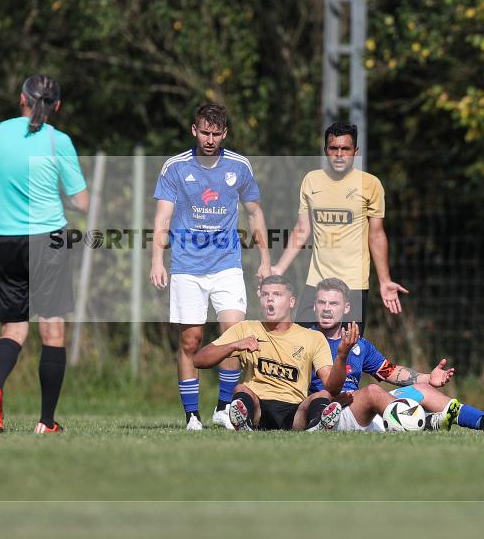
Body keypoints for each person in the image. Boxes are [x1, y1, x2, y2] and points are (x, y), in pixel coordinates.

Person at [0, 75, 89, 434]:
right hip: (47, 238)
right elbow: (81, 202)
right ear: (57, 106)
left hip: (5, 239)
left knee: (13, 327)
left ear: (21, 98)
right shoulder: (59, 141)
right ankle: (46, 422)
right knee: (52, 330)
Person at [150, 103, 271, 430]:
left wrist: (265, 260)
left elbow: (255, 213)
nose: (210, 139)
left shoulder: (238, 166)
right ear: (194, 130)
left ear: (225, 134)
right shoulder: (175, 167)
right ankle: (192, 415)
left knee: (234, 336)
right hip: (187, 266)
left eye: (216, 133)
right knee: (191, 341)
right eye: (204, 132)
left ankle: (224, 406)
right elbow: (162, 217)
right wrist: (157, 260)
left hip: (227, 265)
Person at [308, 277, 484, 433]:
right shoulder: (304, 339)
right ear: (314, 306)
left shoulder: (360, 345)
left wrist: (426, 378)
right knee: (373, 391)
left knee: (422, 390)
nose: (327, 308)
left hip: (359, 411)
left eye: (333, 303)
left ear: (346, 308)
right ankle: (428, 423)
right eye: (322, 302)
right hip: (327, 415)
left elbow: (390, 372)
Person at [270, 121, 407, 332]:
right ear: (326, 151)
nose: (339, 154)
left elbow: (376, 235)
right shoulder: (311, 180)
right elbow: (302, 229)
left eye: (346, 149)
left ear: (356, 152)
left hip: (353, 285)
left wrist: (384, 280)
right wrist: (279, 268)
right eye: (334, 148)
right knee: (299, 352)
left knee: (346, 356)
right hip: (316, 283)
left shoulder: (370, 184)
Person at [192, 275, 349, 432]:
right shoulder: (245, 329)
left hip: (295, 411)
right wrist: (234, 346)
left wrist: (341, 356)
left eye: (277, 295)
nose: (270, 300)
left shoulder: (313, 337)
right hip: (258, 407)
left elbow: (332, 387)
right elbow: (199, 360)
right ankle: (244, 422)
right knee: (241, 389)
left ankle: (317, 425)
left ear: (291, 302)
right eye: (265, 294)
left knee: (322, 394)